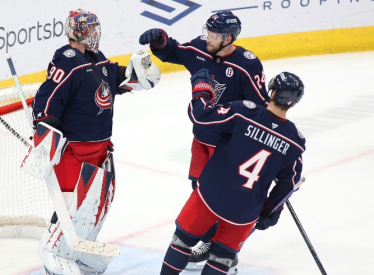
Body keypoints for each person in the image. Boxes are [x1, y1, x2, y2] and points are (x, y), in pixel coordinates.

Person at [26, 9, 161, 275]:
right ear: (83, 33)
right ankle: (52, 254)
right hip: (74, 150)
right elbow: (47, 97)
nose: (96, 35)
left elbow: (112, 79)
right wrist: (45, 127)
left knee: (94, 207)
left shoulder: (95, 57)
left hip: (100, 146)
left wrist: (135, 74)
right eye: (92, 30)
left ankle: (78, 248)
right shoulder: (67, 60)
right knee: (71, 207)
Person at [139, 10, 270, 270]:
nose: (207, 37)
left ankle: (223, 247)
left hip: (228, 147)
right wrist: (160, 41)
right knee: (200, 190)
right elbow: (174, 51)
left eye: (213, 34)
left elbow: (262, 108)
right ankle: (210, 239)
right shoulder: (200, 49)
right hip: (202, 139)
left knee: (225, 196)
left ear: (228, 37)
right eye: (207, 31)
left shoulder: (248, 64)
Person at [160, 69, 305, 275]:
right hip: (244, 211)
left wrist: (202, 91)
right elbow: (290, 182)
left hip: (210, 195)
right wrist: (271, 209)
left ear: (272, 93)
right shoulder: (294, 141)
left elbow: (201, 118)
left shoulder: (244, 112)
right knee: (222, 257)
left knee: (182, 241)